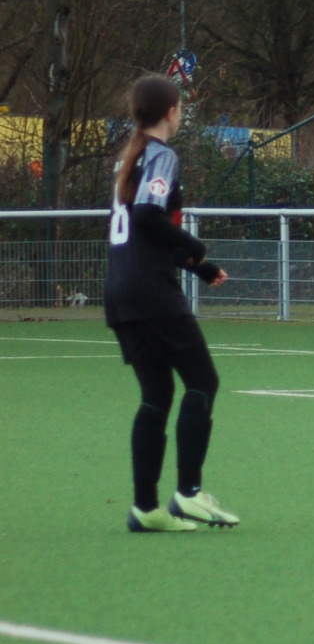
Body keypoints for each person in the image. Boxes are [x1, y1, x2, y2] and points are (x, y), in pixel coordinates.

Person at [105, 74, 239, 531]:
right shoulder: (162, 155)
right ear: (170, 111)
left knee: (157, 394)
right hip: (151, 293)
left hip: (121, 291)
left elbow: (145, 234)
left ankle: (145, 508)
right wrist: (195, 246)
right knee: (202, 381)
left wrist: (198, 266)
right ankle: (189, 493)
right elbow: (148, 215)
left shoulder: (129, 158)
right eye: (180, 108)